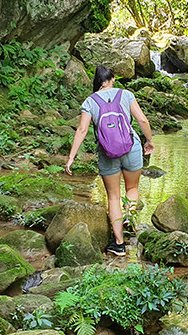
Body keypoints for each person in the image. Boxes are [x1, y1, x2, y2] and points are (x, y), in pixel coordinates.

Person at [65, 65, 154, 256]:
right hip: (131, 147)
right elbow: (142, 121)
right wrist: (149, 141)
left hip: (107, 153)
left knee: (113, 196)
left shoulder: (90, 102)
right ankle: (128, 218)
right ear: (112, 78)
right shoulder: (125, 94)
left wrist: (71, 157)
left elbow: (81, 130)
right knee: (132, 189)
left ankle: (119, 244)